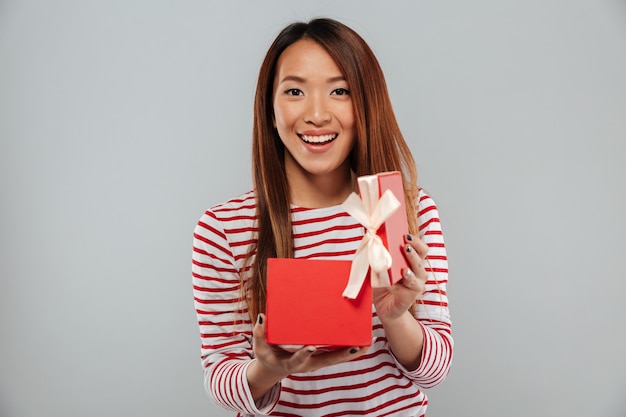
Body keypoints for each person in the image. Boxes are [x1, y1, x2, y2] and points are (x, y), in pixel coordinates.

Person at [192, 17, 452, 416]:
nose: (316, 114)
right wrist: (266, 370)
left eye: (340, 91)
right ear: (270, 108)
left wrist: (396, 318)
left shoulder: (401, 211)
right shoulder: (224, 229)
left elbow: (435, 371)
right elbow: (220, 378)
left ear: (366, 103)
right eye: (295, 90)